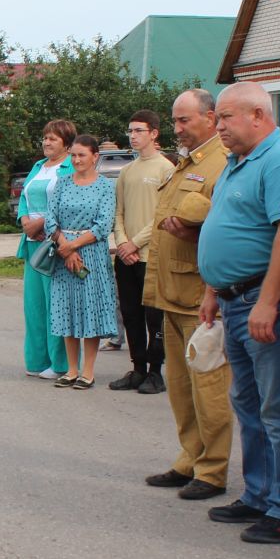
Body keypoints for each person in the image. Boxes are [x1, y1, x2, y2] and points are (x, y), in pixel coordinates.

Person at [195, 84, 280, 543]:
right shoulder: (236, 162)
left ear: (259, 116)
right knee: (248, 402)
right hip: (234, 298)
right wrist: (213, 291)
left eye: (226, 117)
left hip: (268, 299)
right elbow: (223, 226)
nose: (219, 126)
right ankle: (259, 493)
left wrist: (267, 301)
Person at [142, 88, 233, 501]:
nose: (177, 128)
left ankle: (212, 469)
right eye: (175, 121)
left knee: (208, 388)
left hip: (200, 294)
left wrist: (198, 231)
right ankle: (189, 456)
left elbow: (229, 227)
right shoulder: (187, 163)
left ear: (211, 118)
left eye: (184, 120)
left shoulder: (223, 163)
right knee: (179, 386)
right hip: (170, 291)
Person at [107, 110, 175, 393]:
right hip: (126, 255)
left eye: (139, 131)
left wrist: (135, 243)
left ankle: (155, 372)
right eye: (130, 131)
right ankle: (137, 368)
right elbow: (119, 212)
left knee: (153, 317)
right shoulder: (127, 171)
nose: (133, 136)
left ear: (154, 134)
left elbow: (164, 213)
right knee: (130, 312)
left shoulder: (166, 169)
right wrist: (123, 243)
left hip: (151, 255)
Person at [46, 134, 119, 388]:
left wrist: (73, 246)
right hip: (63, 255)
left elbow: (103, 225)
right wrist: (64, 247)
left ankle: (88, 371)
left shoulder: (106, 186)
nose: (77, 160)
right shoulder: (62, 183)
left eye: (82, 155)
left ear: (95, 157)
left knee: (90, 310)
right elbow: (50, 220)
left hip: (91, 256)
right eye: (74, 155)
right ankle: (71, 369)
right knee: (67, 310)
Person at [16, 120, 76, 380]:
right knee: (34, 306)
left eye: (53, 139)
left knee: (56, 305)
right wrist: (25, 220)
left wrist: (42, 222)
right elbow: (23, 198)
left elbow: (70, 201)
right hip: (32, 245)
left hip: (54, 243)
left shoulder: (70, 167)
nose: (46, 143)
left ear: (67, 143)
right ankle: (36, 359)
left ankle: (60, 363)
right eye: (45, 138)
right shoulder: (38, 167)